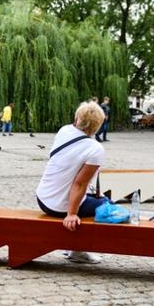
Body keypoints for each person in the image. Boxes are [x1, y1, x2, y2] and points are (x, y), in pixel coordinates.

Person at [36, 101, 108, 264]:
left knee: (93, 200)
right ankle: (77, 250)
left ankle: (74, 247)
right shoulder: (95, 149)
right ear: (97, 125)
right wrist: (71, 214)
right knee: (105, 205)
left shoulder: (64, 131)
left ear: (77, 118)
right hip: (59, 206)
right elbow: (79, 184)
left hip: (43, 198)